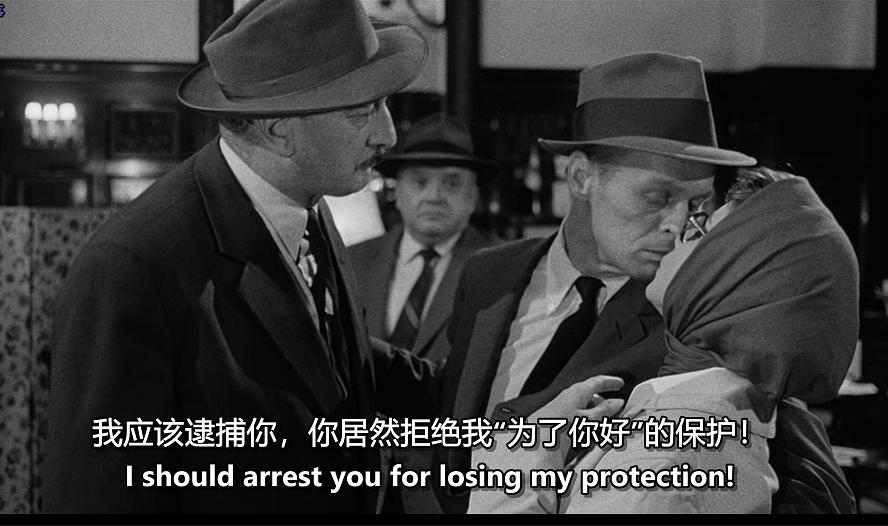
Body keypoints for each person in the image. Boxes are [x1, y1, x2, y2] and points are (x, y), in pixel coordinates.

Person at [44, 0, 433, 513]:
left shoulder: (308, 203)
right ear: (279, 130)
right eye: (362, 111)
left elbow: (326, 362)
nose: (388, 134)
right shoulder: (133, 266)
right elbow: (97, 495)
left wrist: (500, 373)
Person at [433, 52, 757, 513]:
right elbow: (454, 392)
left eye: (696, 204)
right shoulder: (490, 272)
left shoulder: (692, 317)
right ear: (581, 176)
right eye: (657, 195)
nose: (678, 224)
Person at [468, 167, 859, 513]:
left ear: (730, 277)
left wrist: (519, 463)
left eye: (700, 230)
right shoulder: (695, 416)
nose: (679, 231)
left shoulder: (673, 454)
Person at [349, 113, 500, 513]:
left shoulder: (506, 272)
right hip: (354, 484)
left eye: (451, 183)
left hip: (447, 491)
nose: (434, 196)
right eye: (419, 182)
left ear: (474, 195)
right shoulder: (349, 261)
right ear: (397, 192)